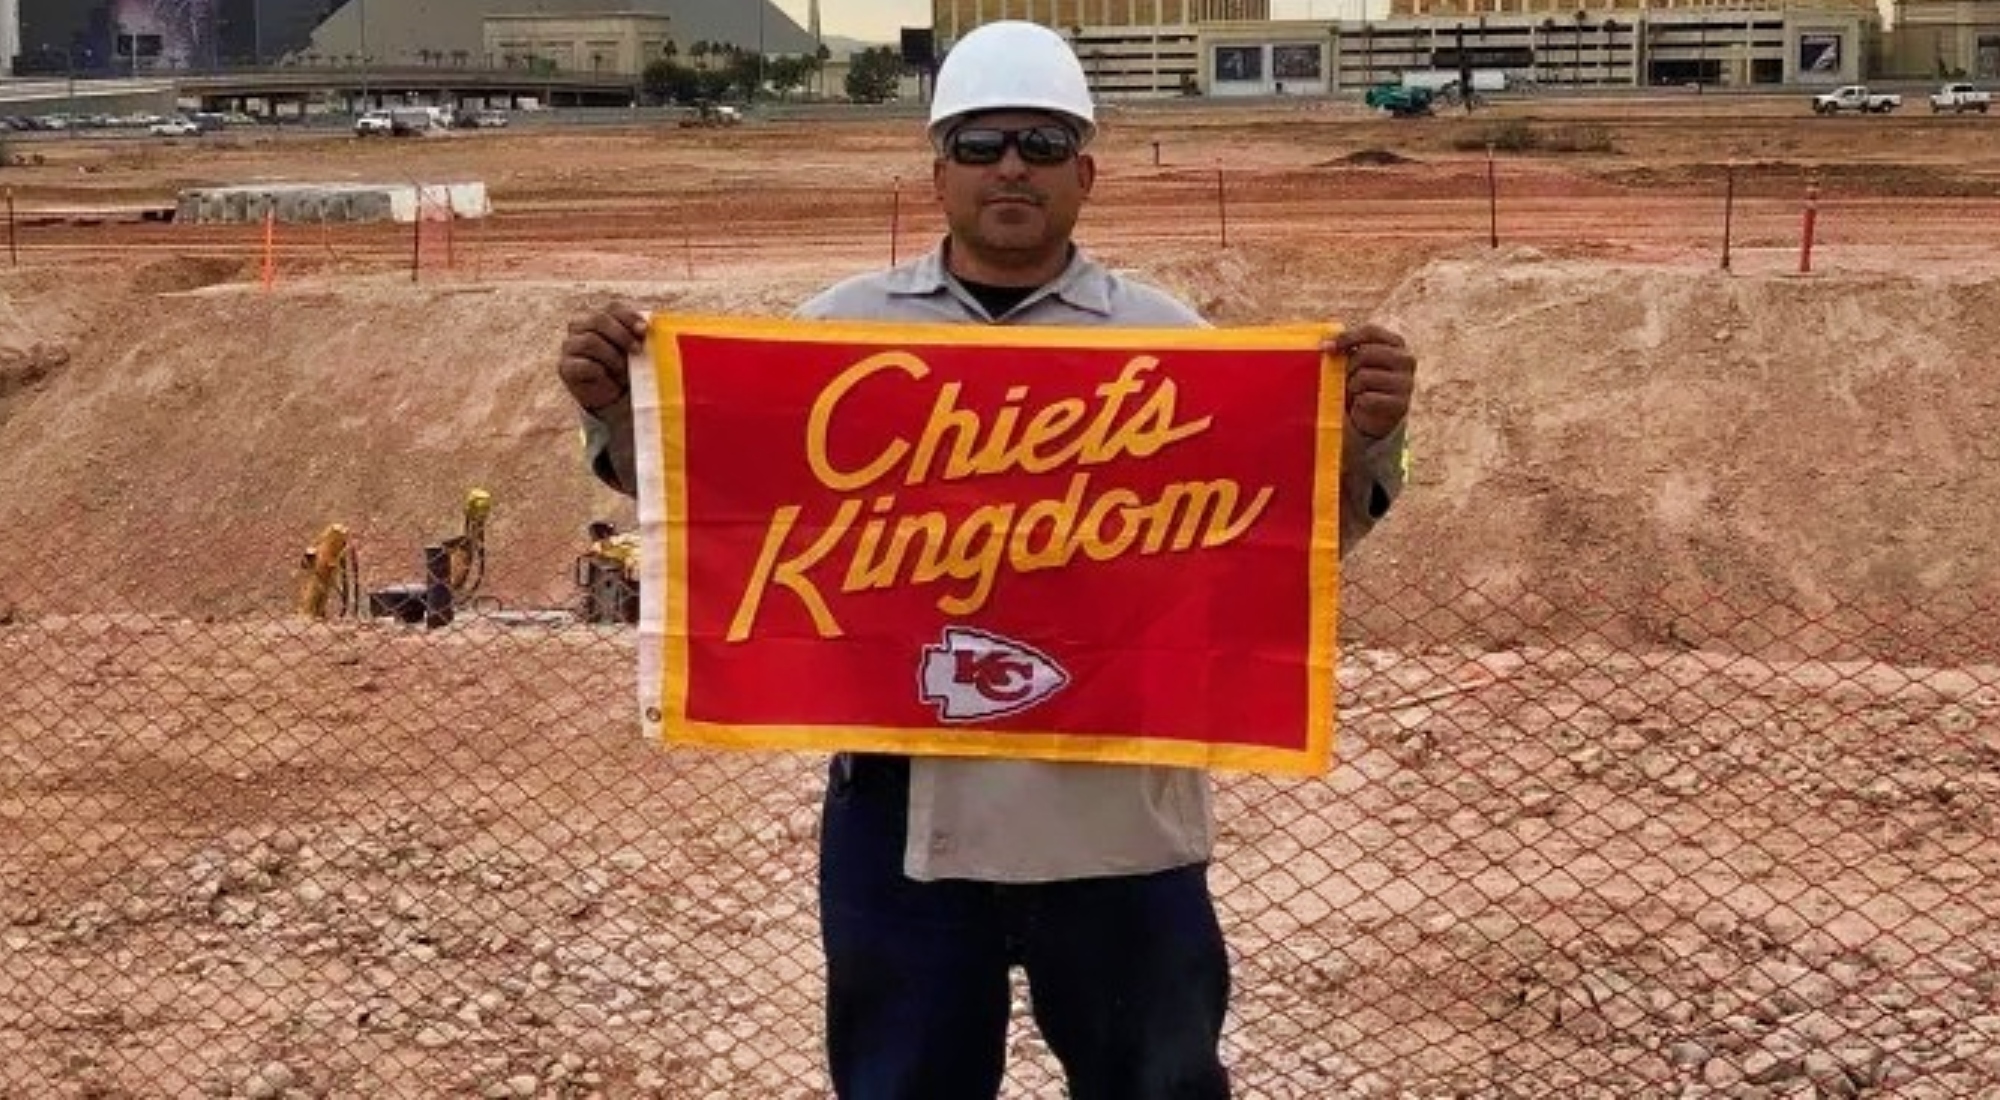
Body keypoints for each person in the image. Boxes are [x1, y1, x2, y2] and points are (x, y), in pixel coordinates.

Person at [555, 20, 1416, 1100]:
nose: (1011, 164)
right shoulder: (840, 337)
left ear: (1085, 172)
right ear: (937, 172)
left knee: (1156, 1084)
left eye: (1042, 142)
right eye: (980, 142)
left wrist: (1365, 437)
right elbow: (724, 510)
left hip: (1118, 816)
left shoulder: (1171, 345)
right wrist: (612, 411)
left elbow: (1271, 546)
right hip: (904, 815)